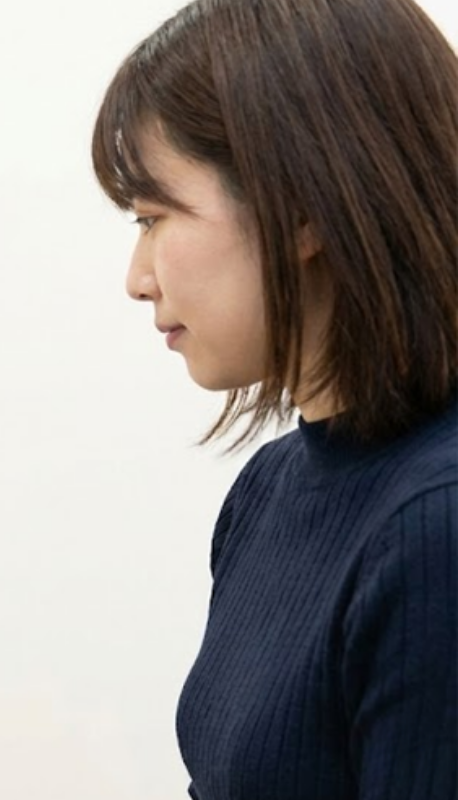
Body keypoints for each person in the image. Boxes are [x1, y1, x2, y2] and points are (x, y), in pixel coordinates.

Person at [91, 0, 457, 797]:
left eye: (153, 218)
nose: (137, 279)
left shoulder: (438, 528)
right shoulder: (270, 488)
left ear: (302, 211)